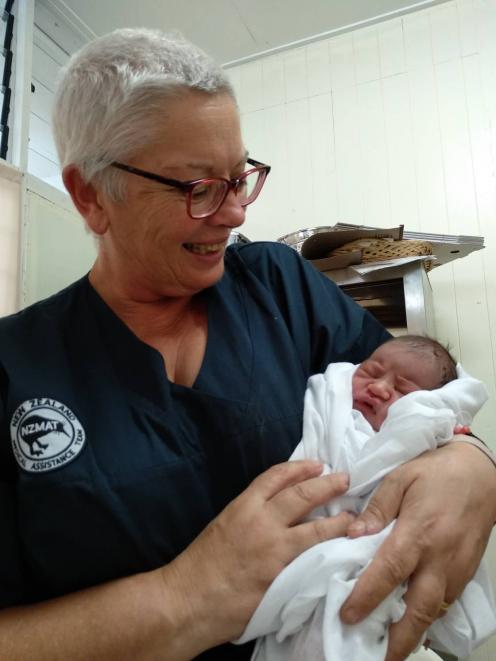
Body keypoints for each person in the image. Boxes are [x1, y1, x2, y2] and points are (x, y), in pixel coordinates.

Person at [0, 28, 495, 661]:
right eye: (198, 189)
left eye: (240, 177)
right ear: (92, 195)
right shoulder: (18, 366)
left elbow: (422, 404)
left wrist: (473, 465)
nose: (235, 213)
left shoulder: (278, 285)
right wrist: (190, 596)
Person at [239, 336, 496, 659]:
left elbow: (445, 438)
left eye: (403, 391)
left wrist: (476, 457)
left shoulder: (422, 433)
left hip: (374, 551)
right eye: (371, 371)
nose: (379, 388)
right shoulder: (332, 407)